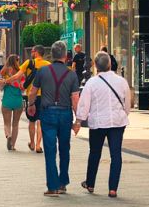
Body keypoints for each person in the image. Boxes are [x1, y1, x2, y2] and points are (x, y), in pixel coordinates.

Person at [76, 52, 131, 198]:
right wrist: (124, 114)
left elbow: (84, 105)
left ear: (95, 65)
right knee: (116, 154)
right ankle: (113, 188)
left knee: (95, 152)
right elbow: (127, 104)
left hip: (98, 123)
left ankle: (90, 183)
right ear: (110, 64)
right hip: (117, 122)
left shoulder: (92, 83)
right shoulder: (121, 81)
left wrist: (79, 121)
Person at [29, 41, 80, 196]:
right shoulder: (71, 74)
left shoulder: (43, 71)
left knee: (50, 150)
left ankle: (52, 187)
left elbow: (33, 91)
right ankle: (63, 182)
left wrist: (31, 104)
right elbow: (75, 99)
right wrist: (78, 121)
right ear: (65, 56)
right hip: (65, 114)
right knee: (65, 148)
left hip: (48, 113)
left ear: (52, 55)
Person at [0, 45, 50, 153]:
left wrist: (6, 81)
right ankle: (38, 145)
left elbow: (17, 76)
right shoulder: (48, 65)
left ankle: (29, 142)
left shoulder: (28, 63)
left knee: (31, 121)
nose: (31, 52)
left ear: (35, 52)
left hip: (30, 96)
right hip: (44, 96)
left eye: (32, 51)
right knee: (40, 121)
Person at [0, 55, 23, 151]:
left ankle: (8, 135)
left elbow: (0, 87)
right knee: (15, 124)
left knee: (7, 123)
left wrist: (5, 83)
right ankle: (12, 145)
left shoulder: (3, 72)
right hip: (18, 101)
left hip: (6, 100)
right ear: (17, 61)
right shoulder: (20, 72)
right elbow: (23, 88)